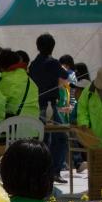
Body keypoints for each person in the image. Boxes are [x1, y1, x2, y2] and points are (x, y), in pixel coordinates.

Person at [29, 32, 69, 174]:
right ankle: (53, 170)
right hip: (50, 106)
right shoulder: (53, 62)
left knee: (43, 140)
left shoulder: (33, 64)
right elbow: (66, 75)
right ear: (52, 47)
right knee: (61, 138)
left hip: (38, 105)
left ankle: (43, 171)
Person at [0, 49, 38, 119]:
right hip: (35, 125)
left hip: (15, 126)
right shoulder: (30, 81)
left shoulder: (6, 80)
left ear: (2, 66)